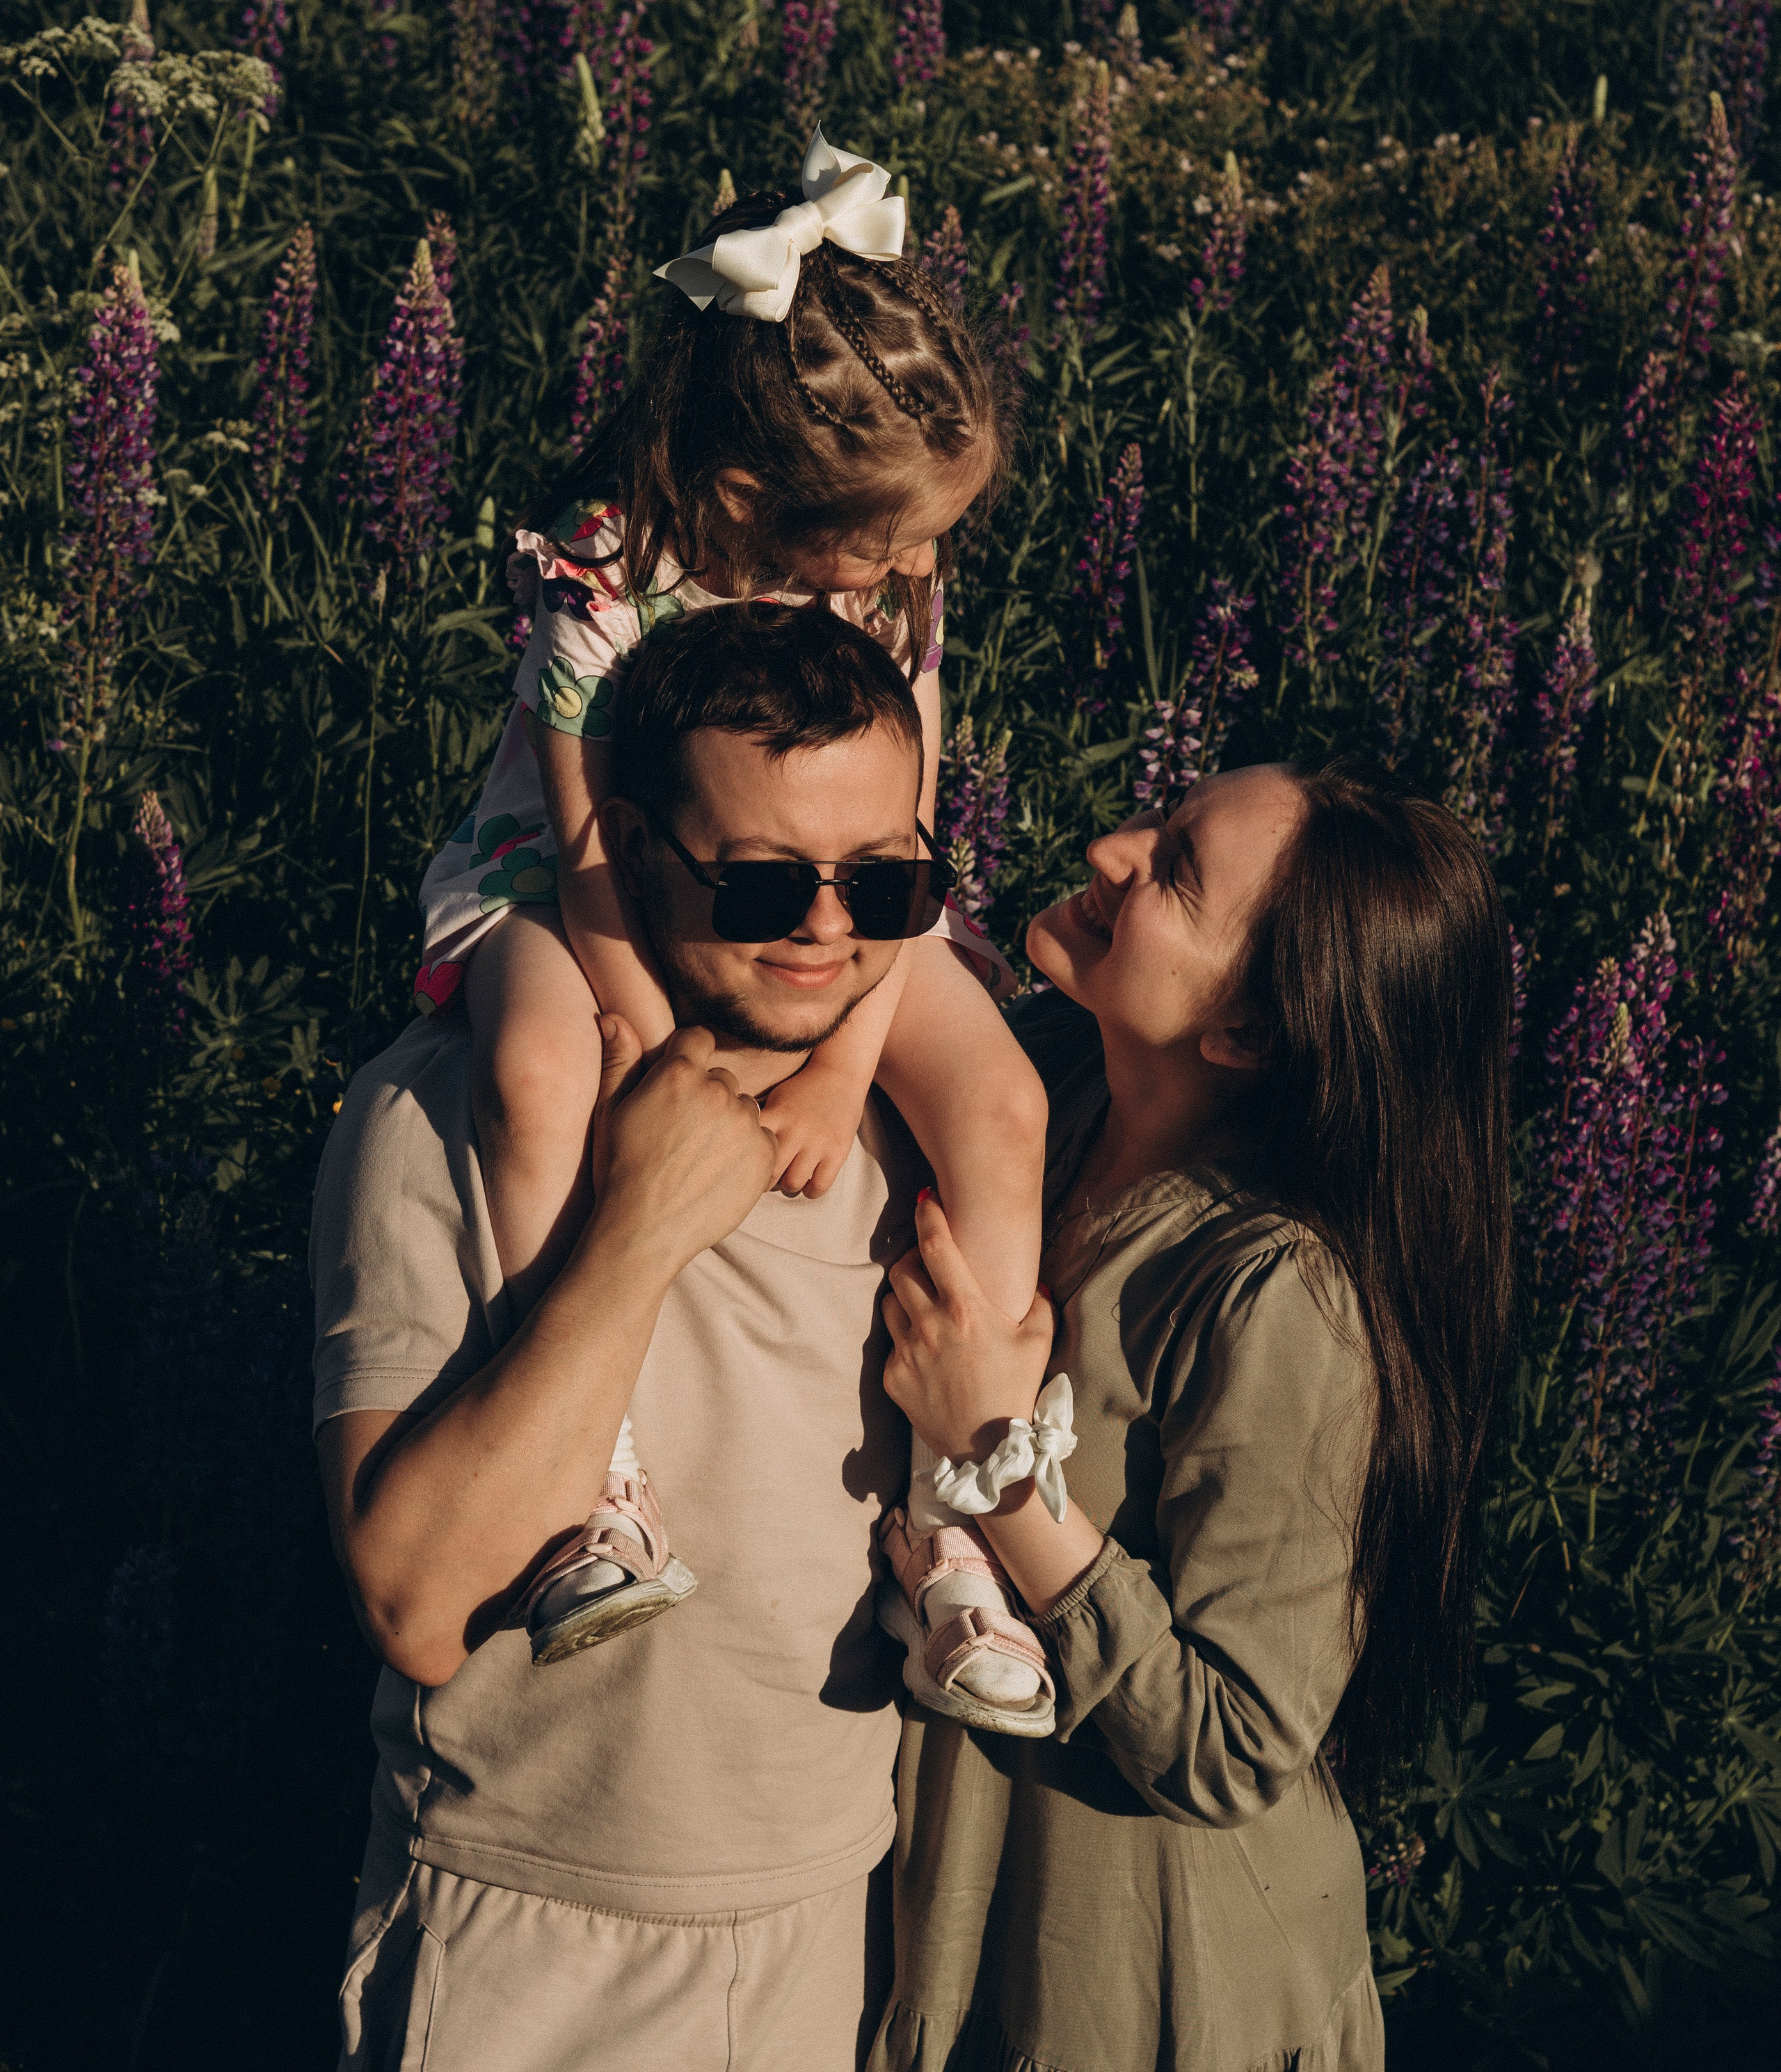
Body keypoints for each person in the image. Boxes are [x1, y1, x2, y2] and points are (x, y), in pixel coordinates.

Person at [408, 127, 1052, 1715]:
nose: (915, 566)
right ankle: (587, 1484)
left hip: (836, 901)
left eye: (926, 540)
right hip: (585, 885)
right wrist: (636, 1018)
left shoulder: (893, 573)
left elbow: (903, 829)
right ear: (754, 495)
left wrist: (843, 1066)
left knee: (1002, 1103)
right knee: (543, 1076)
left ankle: (952, 1516)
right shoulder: (606, 566)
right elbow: (579, 841)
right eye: (885, 540)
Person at [316, 600, 1001, 2069]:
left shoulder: (916, 1123)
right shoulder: (444, 1110)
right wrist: (632, 1233)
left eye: (883, 885)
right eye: (761, 885)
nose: (829, 931)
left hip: (827, 1916)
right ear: (626, 847)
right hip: (532, 1935)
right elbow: (418, 1603)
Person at [869, 758, 1517, 2071]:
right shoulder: (1035, 1095)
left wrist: (1007, 1471)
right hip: (965, 1903)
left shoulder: (1278, 1289)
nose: (1111, 852)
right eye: (1161, 829)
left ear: (1250, 1034)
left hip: (1154, 1988)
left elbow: (1237, 1740)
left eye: (1173, 871)